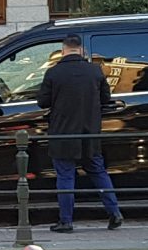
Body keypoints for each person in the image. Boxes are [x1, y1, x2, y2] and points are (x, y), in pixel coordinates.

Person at [36, 36, 123, 232]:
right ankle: (114, 212)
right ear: (81, 50)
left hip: (63, 133)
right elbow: (105, 99)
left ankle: (66, 221)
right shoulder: (95, 71)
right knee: (98, 172)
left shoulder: (53, 73)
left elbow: (42, 102)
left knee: (66, 176)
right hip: (90, 131)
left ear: (63, 50)